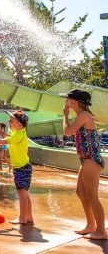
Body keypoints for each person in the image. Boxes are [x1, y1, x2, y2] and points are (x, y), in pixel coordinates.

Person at [61, 88, 107, 240]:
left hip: (91, 160)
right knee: (81, 192)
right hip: (86, 160)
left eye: (69, 100)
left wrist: (65, 116)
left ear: (75, 102)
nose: (67, 102)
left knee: (92, 196)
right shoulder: (82, 115)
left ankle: (101, 231)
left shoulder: (84, 115)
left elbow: (67, 132)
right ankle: (91, 225)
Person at [0, 110, 33, 225]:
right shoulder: (17, 133)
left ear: (19, 124)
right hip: (23, 167)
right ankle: (29, 217)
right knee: (24, 193)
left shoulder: (19, 135)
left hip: (21, 168)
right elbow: (3, 137)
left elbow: (2, 142)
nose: (9, 121)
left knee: (22, 193)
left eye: (11, 120)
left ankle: (22, 218)